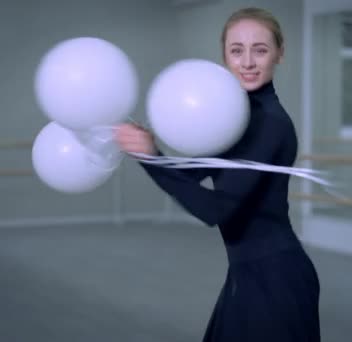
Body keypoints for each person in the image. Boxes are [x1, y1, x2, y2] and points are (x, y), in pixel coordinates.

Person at [115, 7, 321, 342]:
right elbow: (196, 175)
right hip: (248, 273)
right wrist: (150, 149)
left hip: (275, 278)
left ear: (280, 54)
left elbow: (216, 209)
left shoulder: (269, 122)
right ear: (224, 56)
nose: (248, 62)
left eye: (261, 49)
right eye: (237, 50)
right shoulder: (236, 116)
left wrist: (149, 158)